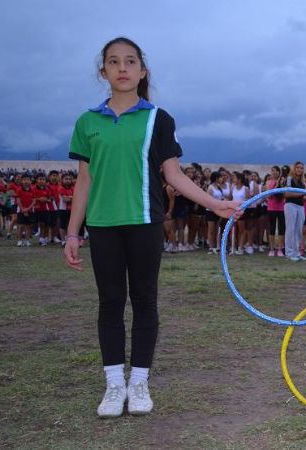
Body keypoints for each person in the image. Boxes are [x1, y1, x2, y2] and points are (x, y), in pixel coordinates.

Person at [63, 37, 240, 419]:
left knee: (144, 301)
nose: (122, 68)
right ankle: (114, 385)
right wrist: (73, 233)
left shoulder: (159, 119)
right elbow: (84, 181)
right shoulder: (87, 121)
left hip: (145, 224)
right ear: (103, 72)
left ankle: (139, 381)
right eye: (113, 62)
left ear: (142, 71)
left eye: (130, 62)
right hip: (103, 226)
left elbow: (173, 175)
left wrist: (215, 204)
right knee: (110, 303)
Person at [284, 161, 306, 261]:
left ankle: (296, 252)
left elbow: (304, 196)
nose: (299, 170)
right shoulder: (289, 179)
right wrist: (301, 194)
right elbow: (287, 194)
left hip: (300, 206)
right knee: (290, 229)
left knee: (298, 230)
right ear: (294, 168)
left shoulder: (302, 182)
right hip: (290, 205)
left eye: (301, 168)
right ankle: (289, 253)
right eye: (297, 167)